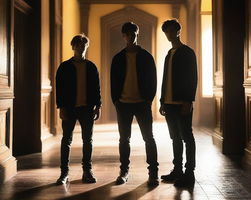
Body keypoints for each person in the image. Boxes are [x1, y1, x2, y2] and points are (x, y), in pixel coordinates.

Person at [111, 22, 159, 187]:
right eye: (128, 34)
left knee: (149, 138)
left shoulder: (146, 56)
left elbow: (153, 79)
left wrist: (148, 100)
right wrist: (116, 101)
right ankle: (124, 172)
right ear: (123, 36)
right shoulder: (118, 58)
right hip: (123, 104)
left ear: (137, 35)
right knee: (124, 139)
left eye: (134, 34)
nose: (131, 37)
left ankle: (153, 173)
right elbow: (113, 81)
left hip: (142, 104)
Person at [55, 34, 101, 185]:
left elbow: (96, 89)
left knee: (88, 140)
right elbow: (59, 89)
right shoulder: (64, 67)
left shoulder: (91, 67)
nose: (81, 48)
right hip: (69, 108)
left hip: (87, 109)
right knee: (66, 140)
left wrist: (98, 106)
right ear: (73, 47)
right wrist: (61, 108)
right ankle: (64, 173)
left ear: (86, 47)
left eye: (84, 46)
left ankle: (87, 171)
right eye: (78, 45)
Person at [160, 19, 198, 188]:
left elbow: (192, 78)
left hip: (182, 102)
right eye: (166, 31)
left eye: (171, 30)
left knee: (187, 137)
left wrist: (188, 101)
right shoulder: (169, 53)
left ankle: (189, 173)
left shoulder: (187, 52)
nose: (169, 34)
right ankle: (177, 170)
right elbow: (165, 78)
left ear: (178, 31)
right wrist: (162, 101)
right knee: (175, 137)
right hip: (168, 103)